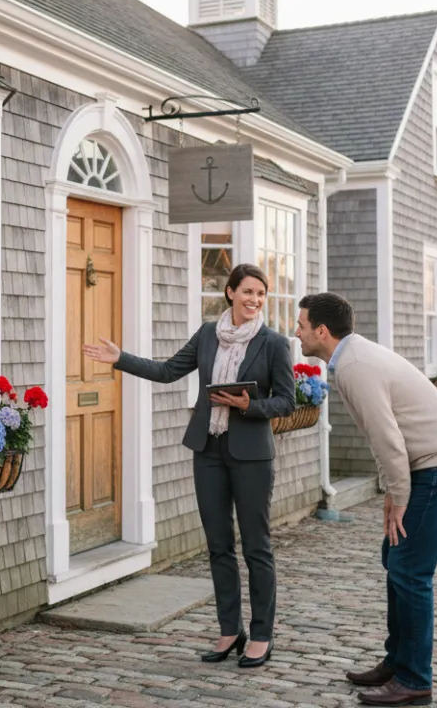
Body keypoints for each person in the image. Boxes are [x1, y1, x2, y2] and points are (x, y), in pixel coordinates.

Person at [83, 263, 295, 668]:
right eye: (247, 292)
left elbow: (287, 400)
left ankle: (262, 634)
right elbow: (166, 372)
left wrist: (250, 406)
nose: (254, 300)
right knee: (218, 547)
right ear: (230, 293)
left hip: (252, 456)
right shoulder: (206, 335)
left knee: (256, 548)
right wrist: (119, 358)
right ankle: (230, 630)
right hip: (208, 452)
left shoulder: (274, 343)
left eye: (261, 294)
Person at [294, 292, 437, 707]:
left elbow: (387, 438)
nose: (297, 331)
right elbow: (388, 437)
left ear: (322, 331)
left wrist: (397, 495)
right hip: (430, 464)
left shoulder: (355, 366)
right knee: (395, 558)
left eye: (302, 324)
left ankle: (414, 680)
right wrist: (393, 490)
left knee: (410, 570)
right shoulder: (350, 358)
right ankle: (398, 662)